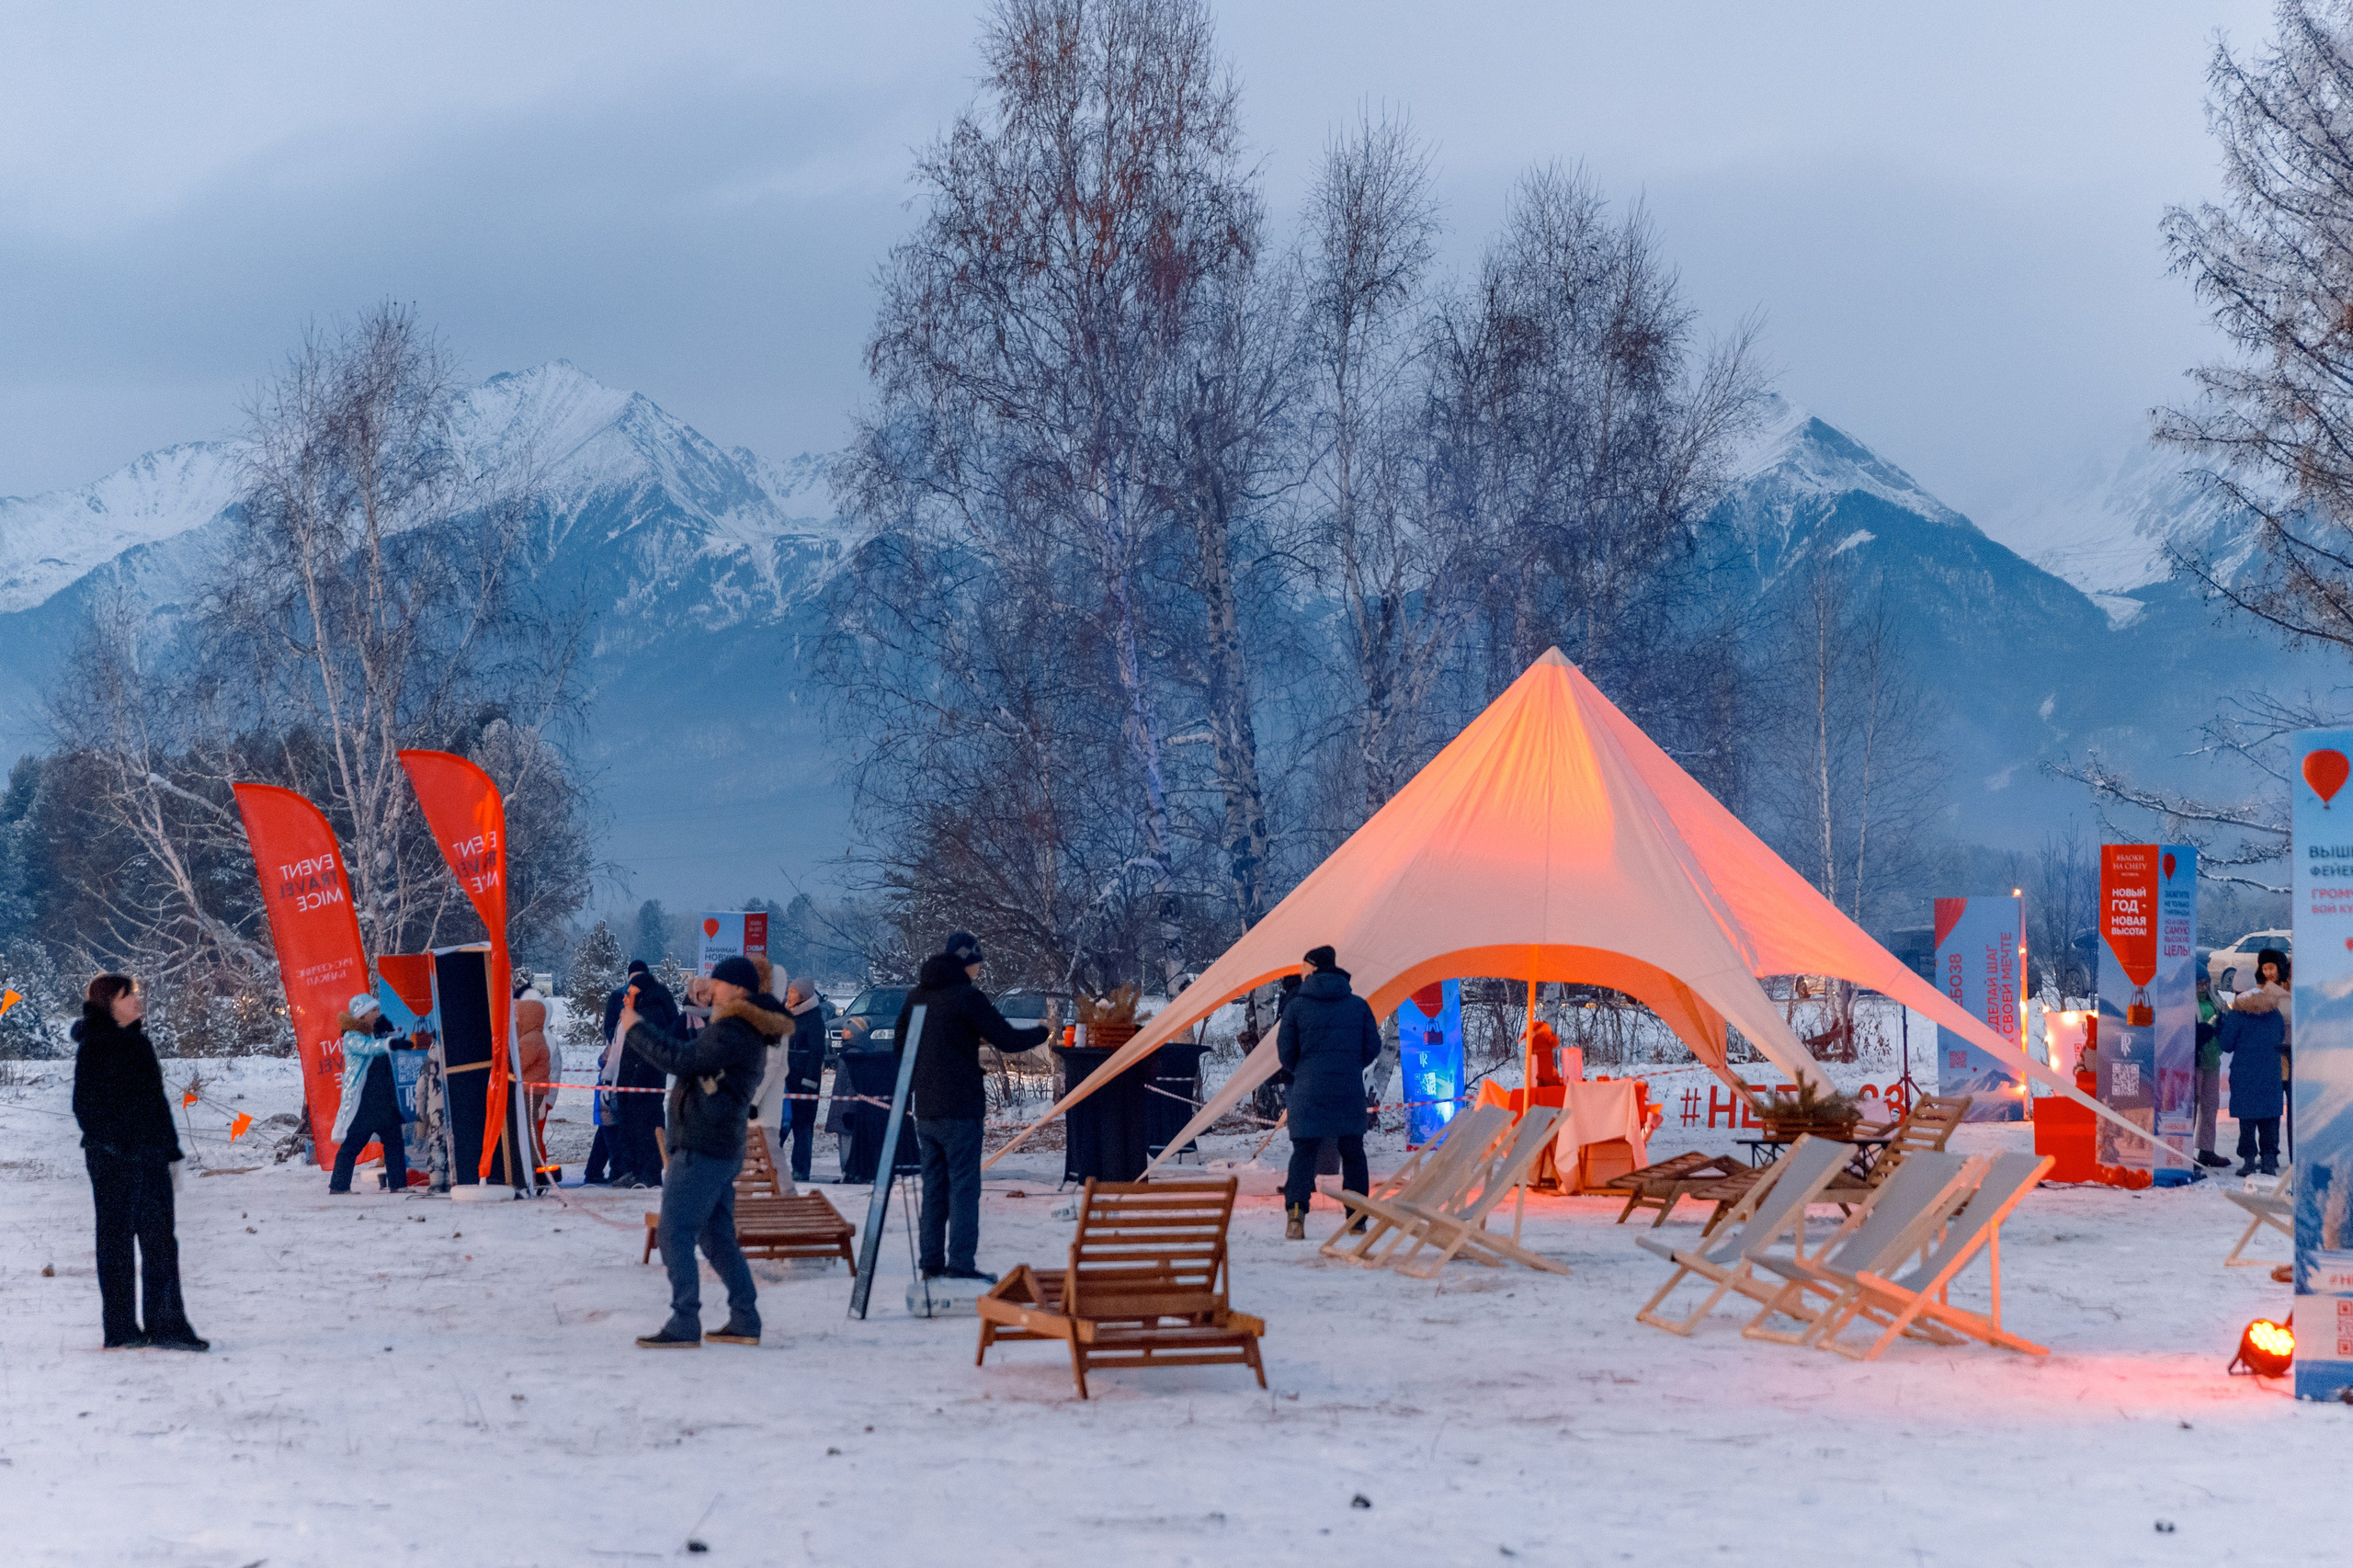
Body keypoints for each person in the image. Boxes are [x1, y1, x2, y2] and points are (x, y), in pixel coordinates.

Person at [618, 954, 784, 1347]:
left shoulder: (735, 1029)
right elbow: (695, 1061)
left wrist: (635, 1028)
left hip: (702, 1145)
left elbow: (682, 1059)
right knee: (716, 1238)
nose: (711, 987)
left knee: (674, 1232)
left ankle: (684, 1321)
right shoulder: (740, 1028)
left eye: (718, 982)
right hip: (717, 1143)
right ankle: (745, 1317)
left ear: (739, 989)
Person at [891, 931, 1051, 1282]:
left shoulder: (916, 996)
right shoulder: (967, 997)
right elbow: (1007, 1039)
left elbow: (900, 1048)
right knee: (963, 1188)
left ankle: (930, 1263)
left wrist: (924, 1075)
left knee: (934, 1187)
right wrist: (1043, 1032)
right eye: (978, 963)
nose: (979, 969)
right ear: (969, 962)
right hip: (961, 1107)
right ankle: (961, 1264)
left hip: (926, 1108)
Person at [72, 973, 206, 1351]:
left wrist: (171, 1150)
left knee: (161, 1240)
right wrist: (117, 1146)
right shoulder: (95, 1046)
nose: (136, 1000)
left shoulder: (140, 1044)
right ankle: (120, 1330)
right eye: (127, 995)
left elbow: (157, 1103)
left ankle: (167, 1325)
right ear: (109, 1003)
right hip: (112, 1160)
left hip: (151, 1156)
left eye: (134, 994)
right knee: (116, 1243)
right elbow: (85, 1107)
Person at [1279, 945, 1383, 1241]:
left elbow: (1286, 1053)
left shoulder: (1295, 1006)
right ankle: (1357, 1219)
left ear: (1313, 967)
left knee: (1304, 1153)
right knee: (1352, 1152)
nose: (1300, 972)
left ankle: (1296, 1216)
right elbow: (1372, 1047)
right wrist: (1349, 1065)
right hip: (1347, 1089)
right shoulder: (1358, 1005)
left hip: (1308, 1090)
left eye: (1303, 966)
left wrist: (1305, 1070)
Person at [604, 960, 678, 1188]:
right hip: (630, 1081)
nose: (626, 997)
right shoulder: (633, 1013)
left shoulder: (651, 1015)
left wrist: (635, 1080)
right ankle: (636, 1171)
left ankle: (649, 1174)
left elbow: (647, 1053)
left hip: (643, 1083)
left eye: (631, 992)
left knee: (646, 1129)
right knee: (633, 1129)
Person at [2221, 948, 2291, 1176]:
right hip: (2271, 1073)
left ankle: (2249, 1161)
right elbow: (2280, 1035)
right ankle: (2269, 1160)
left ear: (2236, 990)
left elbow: (2226, 1044)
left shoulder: (2237, 1015)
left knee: (2248, 1120)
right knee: (2270, 1118)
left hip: (2245, 1075)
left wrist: (2220, 1025)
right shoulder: (2273, 1012)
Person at [330, 994, 410, 1195]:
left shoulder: (376, 1034)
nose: (377, 1013)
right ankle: (339, 1185)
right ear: (362, 1015)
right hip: (364, 1102)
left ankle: (398, 1184)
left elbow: (386, 1043)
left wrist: (390, 1032)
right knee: (353, 1143)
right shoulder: (352, 1036)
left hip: (384, 1099)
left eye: (377, 1009)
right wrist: (390, 1043)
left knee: (394, 1140)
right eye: (373, 1010)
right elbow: (370, 1048)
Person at [780, 976, 826, 1183]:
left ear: (803, 996)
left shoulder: (814, 1019)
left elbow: (816, 1054)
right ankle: (771, 1166)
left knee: (803, 1127)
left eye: (793, 992)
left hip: (803, 1082)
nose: (789, 996)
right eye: (789, 991)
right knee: (780, 1125)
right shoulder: (785, 1015)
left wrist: (809, 1082)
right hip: (784, 1079)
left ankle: (801, 1169)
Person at [2194, 975, 2229, 1168]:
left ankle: (2207, 1150)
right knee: (2191, 1107)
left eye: (2205, 982)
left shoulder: (2215, 1001)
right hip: (2195, 1062)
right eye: (2198, 983)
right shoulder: (2187, 1004)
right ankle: (2184, 1151)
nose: (2202, 986)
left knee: (2210, 1106)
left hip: (2212, 1060)